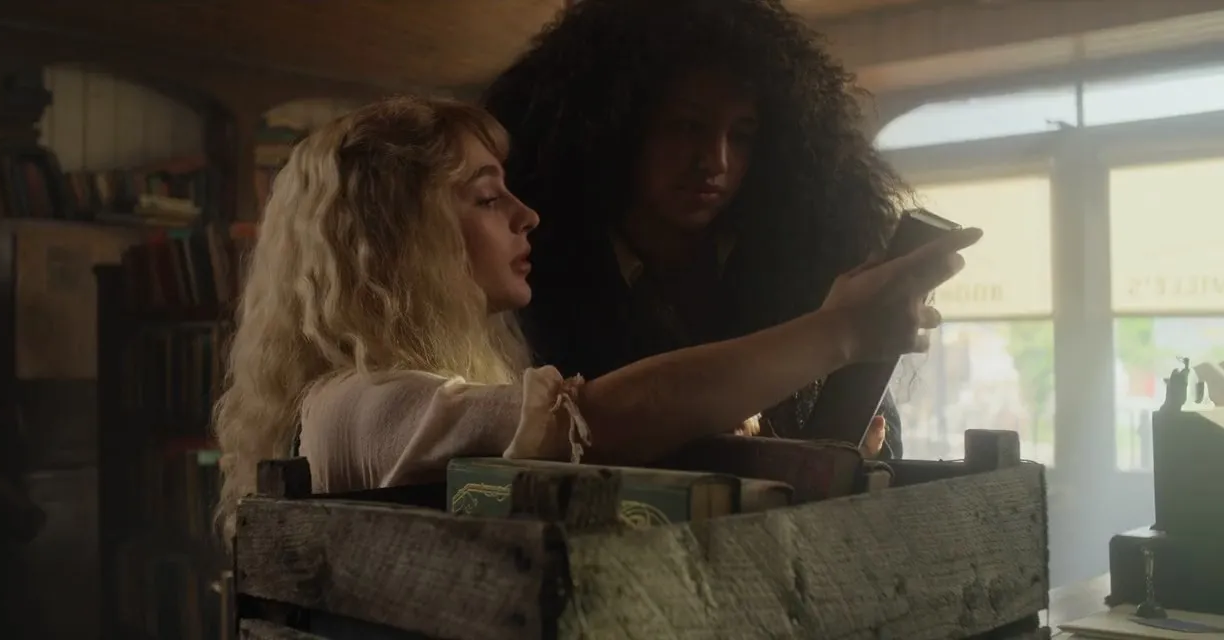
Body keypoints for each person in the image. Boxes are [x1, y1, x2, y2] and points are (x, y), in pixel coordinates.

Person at [212, 95, 978, 543]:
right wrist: (838, 331)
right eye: (487, 197)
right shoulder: (350, 406)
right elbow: (600, 420)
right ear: (396, 238)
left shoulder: (427, 394)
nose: (527, 215)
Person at [483, 0, 912, 457]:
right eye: (688, 127)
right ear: (615, 127)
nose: (716, 161)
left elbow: (878, 434)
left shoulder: (798, 269)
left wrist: (864, 452)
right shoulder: (534, 278)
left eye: (741, 135)